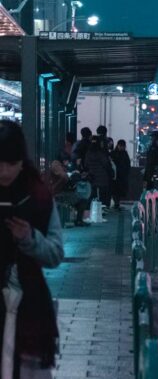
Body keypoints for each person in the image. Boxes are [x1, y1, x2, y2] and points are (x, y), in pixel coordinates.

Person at [0, 120, 63, 377]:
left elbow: (56, 253)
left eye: (11, 164)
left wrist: (29, 238)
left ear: (22, 162)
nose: (4, 171)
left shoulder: (38, 196)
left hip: (30, 305)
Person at [83, 134, 113, 208]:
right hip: (102, 178)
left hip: (92, 177)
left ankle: (93, 209)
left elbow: (86, 165)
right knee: (103, 196)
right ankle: (102, 209)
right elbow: (106, 164)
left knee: (93, 195)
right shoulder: (101, 153)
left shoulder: (88, 153)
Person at [111, 140, 131, 209]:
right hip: (117, 175)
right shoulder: (118, 153)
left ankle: (117, 203)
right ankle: (116, 203)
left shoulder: (116, 153)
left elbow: (128, 164)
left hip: (120, 175)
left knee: (118, 190)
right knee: (116, 190)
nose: (122, 148)